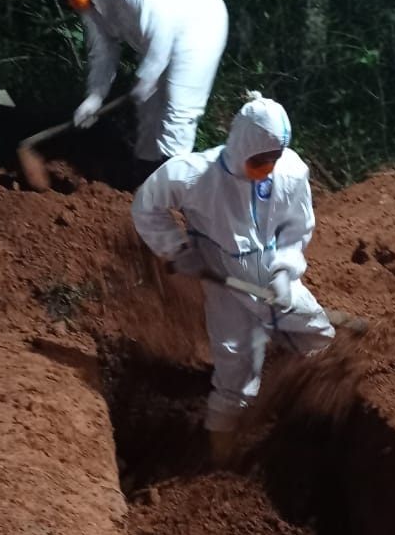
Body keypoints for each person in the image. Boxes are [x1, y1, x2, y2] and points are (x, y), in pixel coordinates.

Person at [131, 93, 333, 460]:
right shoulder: (191, 174)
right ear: (241, 145)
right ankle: (221, 463)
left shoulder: (291, 172)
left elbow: (296, 228)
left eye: (275, 157)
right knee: (235, 369)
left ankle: (314, 430)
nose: (269, 166)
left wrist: (286, 270)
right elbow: (147, 206)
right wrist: (177, 250)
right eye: (261, 159)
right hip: (224, 282)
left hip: (273, 278)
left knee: (319, 337)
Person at [40, 0, 229, 179]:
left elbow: (162, 25)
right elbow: (103, 50)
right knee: (149, 109)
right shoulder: (92, 1)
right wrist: (95, 96)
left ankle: (173, 182)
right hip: (159, 40)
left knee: (179, 107)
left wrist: (147, 76)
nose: (70, 2)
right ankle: (144, 175)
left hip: (199, 24)